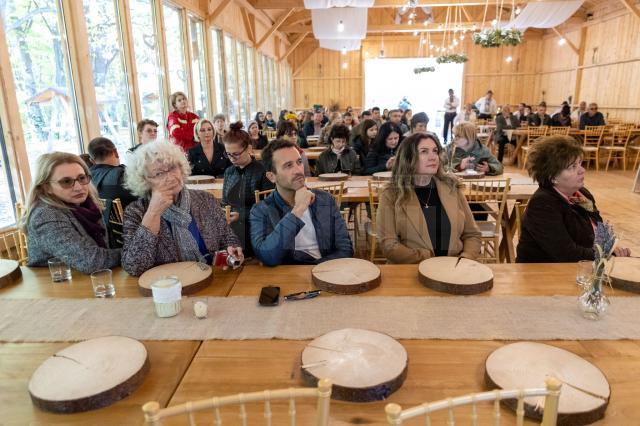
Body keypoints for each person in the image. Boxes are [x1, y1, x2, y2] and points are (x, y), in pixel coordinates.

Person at [122, 141, 243, 276]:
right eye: (159, 173)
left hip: (209, 280)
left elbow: (228, 237)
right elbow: (134, 267)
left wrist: (232, 251)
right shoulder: (136, 212)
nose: (170, 177)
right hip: (165, 289)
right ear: (144, 180)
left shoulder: (205, 200)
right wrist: (153, 213)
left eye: (173, 168)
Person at [517, 136, 631, 262]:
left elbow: (598, 229)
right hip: (543, 273)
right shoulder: (542, 204)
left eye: (580, 164)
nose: (582, 170)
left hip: (580, 267)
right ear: (552, 177)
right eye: (572, 167)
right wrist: (606, 254)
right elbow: (567, 253)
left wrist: (613, 248)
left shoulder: (582, 193)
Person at [376, 133, 481, 263]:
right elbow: (389, 245)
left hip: (454, 270)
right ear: (408, 158)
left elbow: (472, 234)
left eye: (435, 151)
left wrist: (465, 259)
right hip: (411, 270)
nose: (433, 157)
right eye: (424, 152)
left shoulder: (452, 188)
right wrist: (428, 260)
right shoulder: (391, 194)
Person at [249, 139, 353, 266]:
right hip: (290, 280)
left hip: (327, 274)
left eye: (299, 162)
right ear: (271, 176)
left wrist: (316, 269)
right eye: (288, 165)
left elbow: (346, 249)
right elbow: (268, 256)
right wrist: (298, 210)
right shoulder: (261, 210)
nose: (298, 170)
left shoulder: (325, 200)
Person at [23, 152, 121, 273]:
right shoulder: (46, 214)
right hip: (57, 285)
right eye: (66, 182)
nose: (79, 187)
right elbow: (91, 261)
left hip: (87, 279)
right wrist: (130, 253)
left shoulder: (87, 204)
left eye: (82, 178)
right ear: (46, 187)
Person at [222, 122, 274, 257]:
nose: (232, 158)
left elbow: (268, 206)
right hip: (233, 227)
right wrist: (224, 213)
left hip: (256, 228)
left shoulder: (263, 170)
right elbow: (224, 201)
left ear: (249, 149)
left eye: (236, 154)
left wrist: (240, 214)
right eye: (228, 154)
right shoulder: (229, 172)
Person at [88, 137, 137, 208]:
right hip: (134, 217)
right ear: (116, 152)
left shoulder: (86, 179)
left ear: (92, 161)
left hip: (103, 218)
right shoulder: (123, 175)